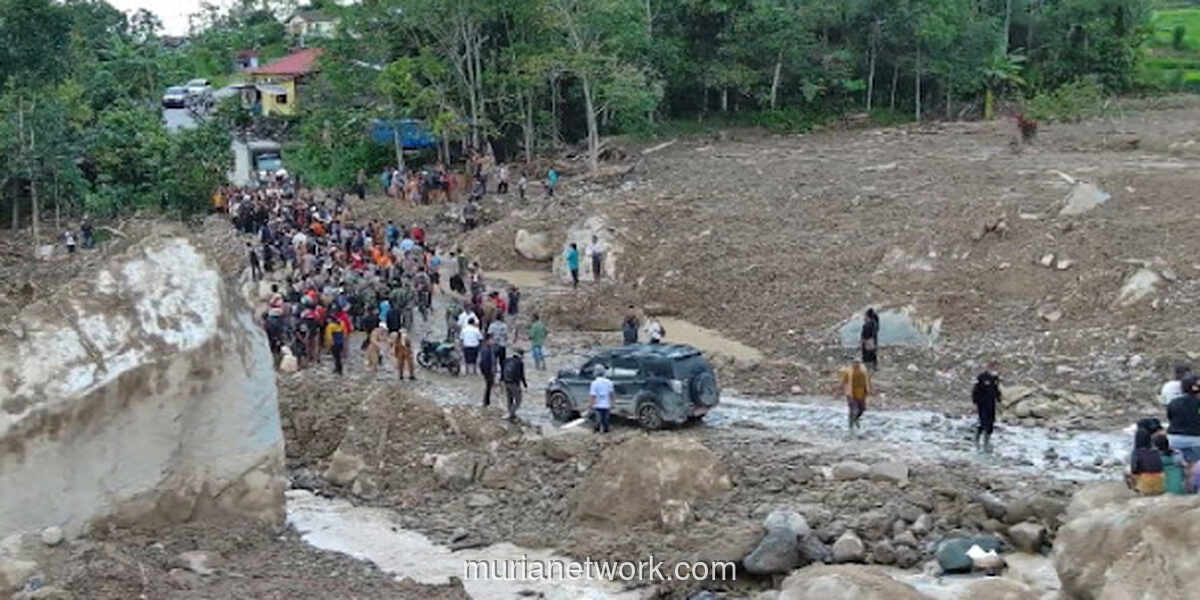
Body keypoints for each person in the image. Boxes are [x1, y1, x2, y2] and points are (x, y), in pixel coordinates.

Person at [1167, 375, 1200, 463]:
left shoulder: (1173, 402)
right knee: (1195, 468)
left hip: (1173, 439)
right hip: (1195, 440)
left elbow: (1170, 417)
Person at [972, 364, 1002, 453]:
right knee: (983, 420)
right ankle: (978, 438)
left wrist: (998, 398)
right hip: (982, 403)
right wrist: (976, 400)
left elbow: (996, 389)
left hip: (991, 403)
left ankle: (987, 440)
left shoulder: (995, 379)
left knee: (991, 421)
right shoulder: (982, 377)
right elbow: (976, 390)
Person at [1128, 426, 1166, 496]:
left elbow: (1134, 469)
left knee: (1127, 474)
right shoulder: (1156, 451)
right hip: (1161, 484)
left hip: (1146, 485)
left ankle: (1136, 489)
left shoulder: (1136, 452)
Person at [838, 361, 871, 436]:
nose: (856, 364)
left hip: (861, 393)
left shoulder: (863, 370)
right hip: (851, 394)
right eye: (854, 363)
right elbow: (844, 381)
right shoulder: (848, 371)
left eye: (857, 363)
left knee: (862, 409)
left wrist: (867, 389)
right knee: (854, 409)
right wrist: (841, 389)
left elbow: (866, 380)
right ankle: (851, 425)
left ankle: (855, 419)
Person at [502, 348, 528, 421]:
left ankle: (510, 413)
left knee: (509, 399)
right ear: (521, 355)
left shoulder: (507, 360)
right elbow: (521, 375)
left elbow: (502, 370)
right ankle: (511, 414)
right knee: (518, 400)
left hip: (506, 382)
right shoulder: (520, 362)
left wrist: (501, 380)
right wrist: (525, 385)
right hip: (514, 384)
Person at [589, 365, 614, 434]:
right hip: (607, 405)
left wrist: (591, 405)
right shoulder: (609, 382)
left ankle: (596, 431)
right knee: (606, 420)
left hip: (597, 405)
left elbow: (592, 396)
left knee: (598, 420)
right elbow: (611, 394)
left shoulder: (594, 383)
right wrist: (613, 403)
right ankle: (606, 431)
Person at [478, 334, 497, 407]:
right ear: (487, 341)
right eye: (491, 340)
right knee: (489, 386)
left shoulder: (489, 348)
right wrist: (489, 372)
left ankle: (487, 402)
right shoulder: (486, 350)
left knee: (489, 386)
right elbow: (484, 362)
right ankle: (486, 402)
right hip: (488, 371)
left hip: (489, 370)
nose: (493, 341)